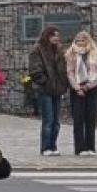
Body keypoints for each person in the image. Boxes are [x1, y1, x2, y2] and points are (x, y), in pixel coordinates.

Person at [27, 26, 69, 155]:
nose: (56, 38)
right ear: (47, 36)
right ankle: (46, 147)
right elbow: (34, 70)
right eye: (54, 35)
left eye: (58, 35)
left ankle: (53, 146)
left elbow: (63, 69)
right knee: (48, 120)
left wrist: (63, 83)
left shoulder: (59, 50)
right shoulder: (37, 50)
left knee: (56, 121)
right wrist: (44, 81)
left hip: (57, 89)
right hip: (45, 89)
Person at [66, 29, 97, 157]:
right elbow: (70, 72)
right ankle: (80, 148)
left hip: (92, 88)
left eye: (83, 40)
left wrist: (88, 86)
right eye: (78, 40)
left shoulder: (95, 53)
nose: (80, 43)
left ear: (88, 41)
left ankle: (90, 147)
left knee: (91, 118)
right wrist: (77, 88)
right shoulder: (71, 53)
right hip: (77, 89)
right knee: (78, 119)